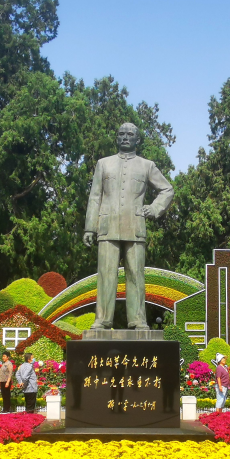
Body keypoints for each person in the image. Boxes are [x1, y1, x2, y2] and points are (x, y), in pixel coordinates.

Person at [83, 122, 175, 330]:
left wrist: (155, 208)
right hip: (107, 227)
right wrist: (90, 227)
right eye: (121, 134)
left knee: (135, 275)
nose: (125, 137)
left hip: (135, 226)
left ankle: (137, 319)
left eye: (130, 134)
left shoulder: (146, 165)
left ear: (137, 140)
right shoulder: (103, 164)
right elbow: (95, 197)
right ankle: (102, 319)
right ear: (117, 138)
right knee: (106, 275)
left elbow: (167, 189)